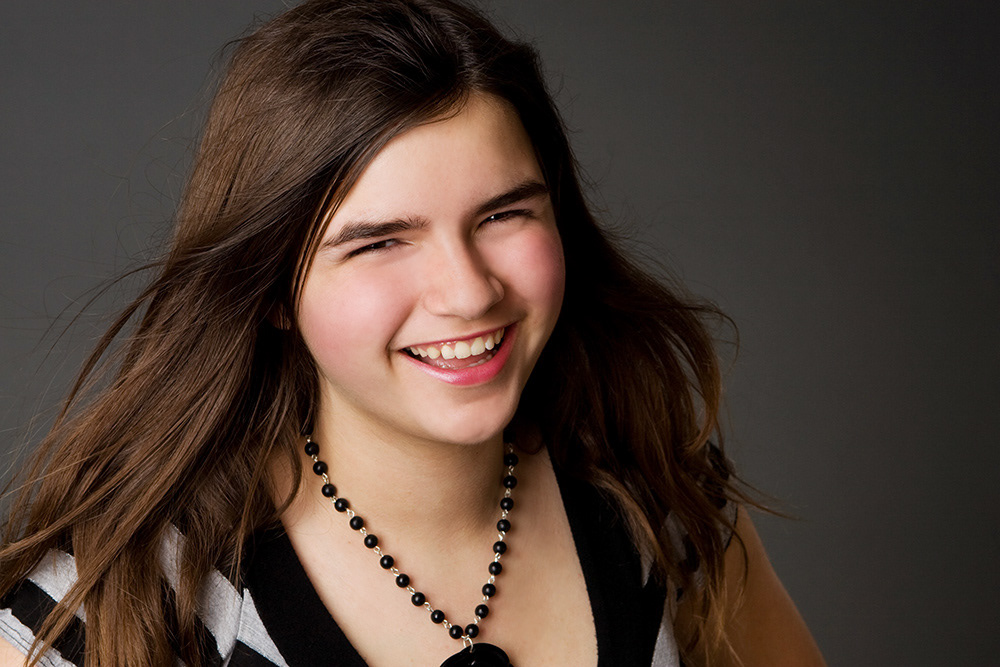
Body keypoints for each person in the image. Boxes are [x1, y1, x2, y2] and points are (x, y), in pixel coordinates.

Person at [0, 1, 825, 665]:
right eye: (380, 242)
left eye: (503, 214)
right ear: (274, 290)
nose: (468, 292)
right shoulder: (113, 602)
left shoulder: (662, 504)